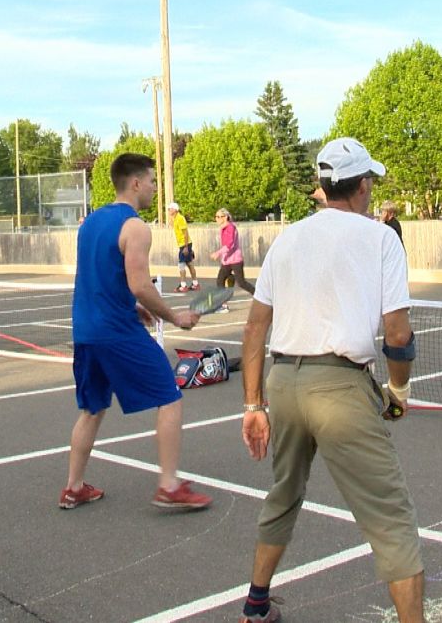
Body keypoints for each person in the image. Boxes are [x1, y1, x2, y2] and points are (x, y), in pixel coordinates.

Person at [238, 138, 423, 623]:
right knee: (391, 520)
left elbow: (256, 326)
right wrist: (398, 391)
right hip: (340, 388)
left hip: (284, 383)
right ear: (362, 186)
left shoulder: (288, 239)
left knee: (284, 492)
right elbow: (398, 332)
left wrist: (253, 404)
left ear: (323, 185)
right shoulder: (382, 238)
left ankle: (255, 605)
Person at [60, 153, 211, 511]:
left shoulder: (90, 223)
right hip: (116, 333)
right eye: (153, 181)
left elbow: (102, 279)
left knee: (92, 409)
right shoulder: (136, 228)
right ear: (136, 183)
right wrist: (174, 317)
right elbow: (140, 284)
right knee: (170, 397)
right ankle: (169, 486)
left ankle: (73, 487)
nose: (156, 188)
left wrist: (134, 307)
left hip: (86, 331)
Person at [211, 207, 255, 308]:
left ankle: (258, 296)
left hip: (235, 260)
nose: (217, 219)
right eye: (216, 217)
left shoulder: (231, 228)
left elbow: (230, 244)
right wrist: (222, 257)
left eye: (219, 217)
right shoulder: (222, 229)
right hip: (227, 261)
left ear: (225, 217)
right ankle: (223, 304)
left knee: (242, 283)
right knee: (220, 280)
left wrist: (218, 253)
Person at [168, 202, 199, 293]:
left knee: (181, 264)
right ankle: (195, 284)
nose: (169, 210)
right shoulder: (175, 219)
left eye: (170, 209)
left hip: (184, 245)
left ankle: (183, 285)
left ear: (175, 209)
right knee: (189, 264)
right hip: (184, 244)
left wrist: (186, 247)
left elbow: (185, 233)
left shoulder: (180, 218)